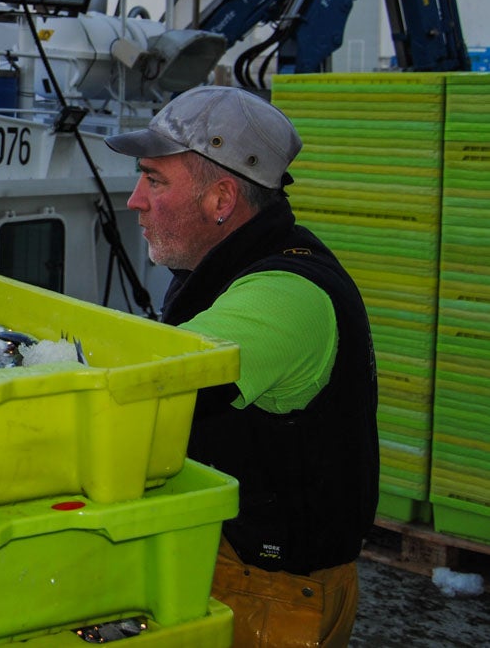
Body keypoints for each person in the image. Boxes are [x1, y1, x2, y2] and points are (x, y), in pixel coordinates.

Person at [105, 85, 379, 648]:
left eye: (154, 180)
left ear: (222, 200)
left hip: (271, 596)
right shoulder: (234, 266)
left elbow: (150, 386)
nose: (134, 200)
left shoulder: (284, 297)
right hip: (241, 568)